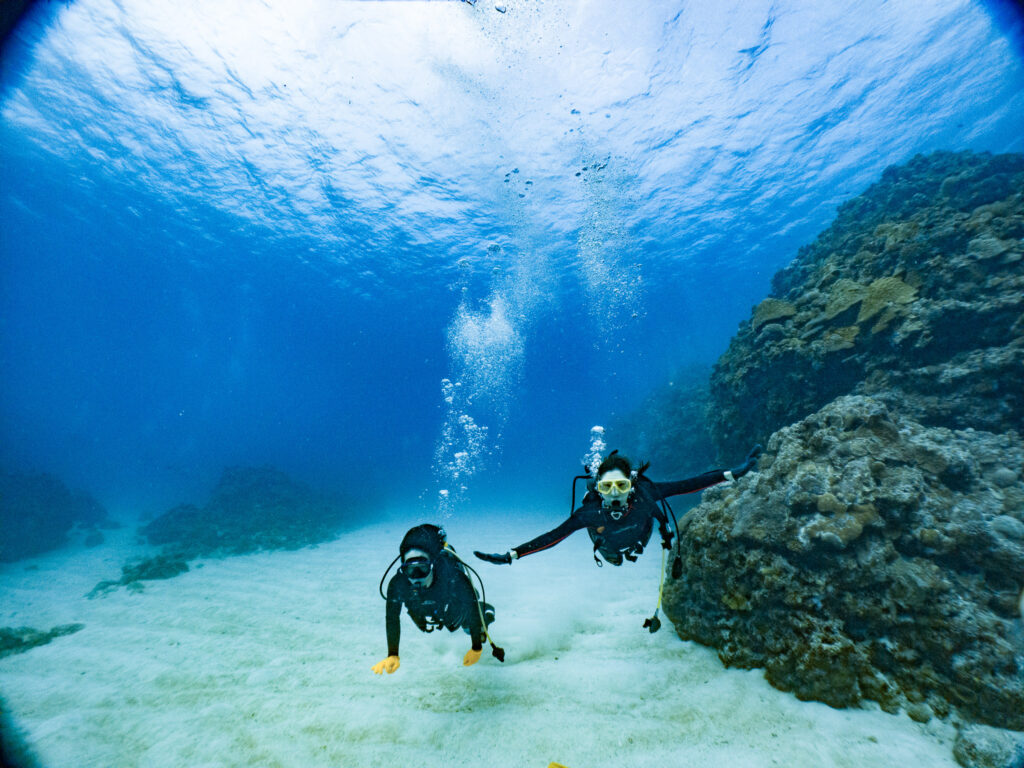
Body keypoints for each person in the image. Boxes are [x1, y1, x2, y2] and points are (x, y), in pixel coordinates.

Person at [474, 446, 761, 568]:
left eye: (621, 487)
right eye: (606, 488)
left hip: (641, 535)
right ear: (598, 489)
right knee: (612, 555)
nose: (614, 495)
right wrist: (512, 555)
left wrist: (733, 473)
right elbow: (552, 537)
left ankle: (646, 540)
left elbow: (689, 483)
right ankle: (613, 555)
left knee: (649, 523)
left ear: (632, 486)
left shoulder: (646, 492)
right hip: (607, 543)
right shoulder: (591, 513)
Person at [372, 524, 498, 675]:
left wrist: (476, 647)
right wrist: (393, 654)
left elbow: (471, 608)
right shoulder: (398, 583)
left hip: (449, 597)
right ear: (403, 569)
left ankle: (485, 609)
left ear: (432, 565)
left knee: (466, 623)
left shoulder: (452, 575)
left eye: (422, 568)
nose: (417, 577)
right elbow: (392, 618)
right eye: (411, 570)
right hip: (428, 605)